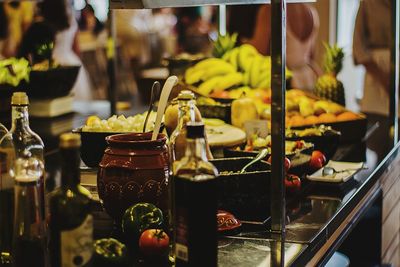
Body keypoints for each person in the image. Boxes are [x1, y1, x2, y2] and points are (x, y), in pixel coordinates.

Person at [228, 4, 321, 90]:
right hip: (309, 77)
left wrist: (241, 43)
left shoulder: (271, 10)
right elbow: (313, 55)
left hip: (284, 81)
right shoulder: (312, 11)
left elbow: (257, 51)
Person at [19, 0, 93, 100]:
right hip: (70, 59)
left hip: (52, 62)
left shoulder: (43, 24)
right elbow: (77, 48)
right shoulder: (71, 20)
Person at [353, 0, 391, 117]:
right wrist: (383, 78)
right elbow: (358, 46)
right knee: (377, 127)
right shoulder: (368, 3)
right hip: (375, 75)